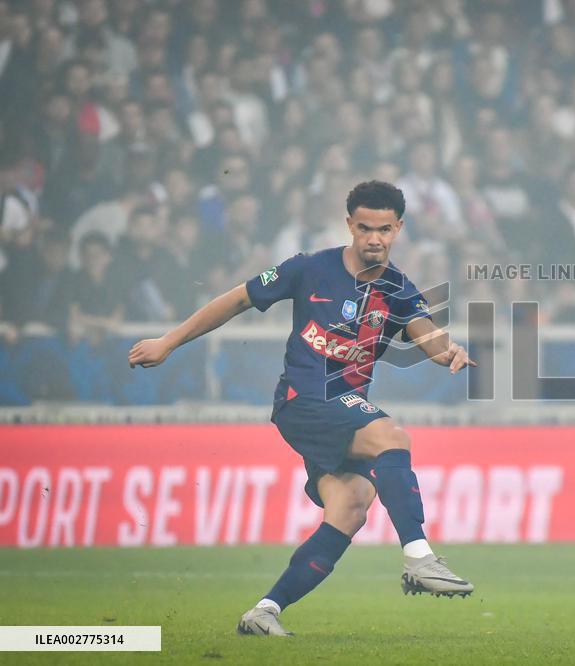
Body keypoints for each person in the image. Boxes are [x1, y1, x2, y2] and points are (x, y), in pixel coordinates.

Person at [127, 181, 476, 637]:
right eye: (366, 228)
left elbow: (424, 332)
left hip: (339, 409)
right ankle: (419, 557)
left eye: (385, 229)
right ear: (350, 225)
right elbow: (235, 299)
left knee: (352, 503)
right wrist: (167, 343)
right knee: (393, 437)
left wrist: (449, 350)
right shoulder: (309, 268)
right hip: (304, 398)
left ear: (399, 229)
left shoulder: (398, 288)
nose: (375, 238)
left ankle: (265, 610)